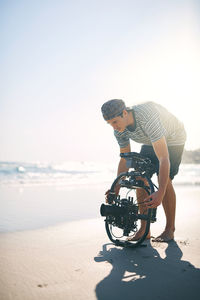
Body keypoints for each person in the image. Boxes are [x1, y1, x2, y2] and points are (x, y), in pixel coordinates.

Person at [101, 99, 186, 242]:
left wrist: (160, 192)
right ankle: (144, 230)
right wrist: (115, 188)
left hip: (174, 137)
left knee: (164, 179)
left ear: (125, 113)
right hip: (150, 140)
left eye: (115, 122)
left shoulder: (147, 118)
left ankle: (169, 229)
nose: (113, 127)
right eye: (109, 124)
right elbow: (124, 159)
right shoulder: (119, 131)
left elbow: (164, 159)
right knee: (139, 176)